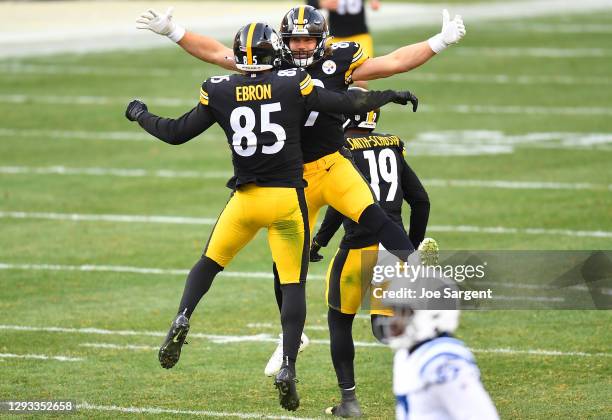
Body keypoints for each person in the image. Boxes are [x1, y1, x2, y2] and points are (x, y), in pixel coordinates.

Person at [136, 3, 463, 375]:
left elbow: (394, 61)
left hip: (332, 161)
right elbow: (216, 52)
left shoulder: (338, 60)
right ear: (283, 40)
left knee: (374, 216)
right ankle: (290, 337)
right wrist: (174, 32)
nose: (303, 46)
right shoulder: (269, 59)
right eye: (295, 39)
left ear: (322, 39)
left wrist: (439, 41)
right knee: (286, 263)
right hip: (292, 176)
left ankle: (418, 271)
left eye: (309, 39)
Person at [307, 91, 436, 416]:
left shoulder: (343, 150)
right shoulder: (392, 143)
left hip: (357, 248)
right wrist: (412, 248)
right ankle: (428, 380)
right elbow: (421, 201)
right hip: (394, 250)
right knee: (386, 328)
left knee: (339, 321)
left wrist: (319, 242)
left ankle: (349, 401)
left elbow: (341, 205)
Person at [379, 276, 499, 420]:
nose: (394, 322)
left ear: (432, 314)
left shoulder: (443, 361)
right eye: (395, 312)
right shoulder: (406, 355)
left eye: (404, 313)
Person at [307, 0, 380, 88]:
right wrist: (321, 3)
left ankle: (362, 101)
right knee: (329, 77)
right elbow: (311, 4)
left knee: (361, 80)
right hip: (335, 37)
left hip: (360, 36)